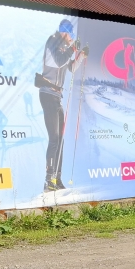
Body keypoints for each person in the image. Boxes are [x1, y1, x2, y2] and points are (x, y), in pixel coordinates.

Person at [38, 19, 88, 192]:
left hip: (56, 96)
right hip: (47, 93)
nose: (71, 39)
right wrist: (72, 49)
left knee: (60, 139)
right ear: (65, 33)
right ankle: (48, 181)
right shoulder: (52, 41)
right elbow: (59, 61)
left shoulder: (64, 47)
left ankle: (57, 179)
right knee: (54, 138)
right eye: (70, 36)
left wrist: (81, 55)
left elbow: (71, 68)